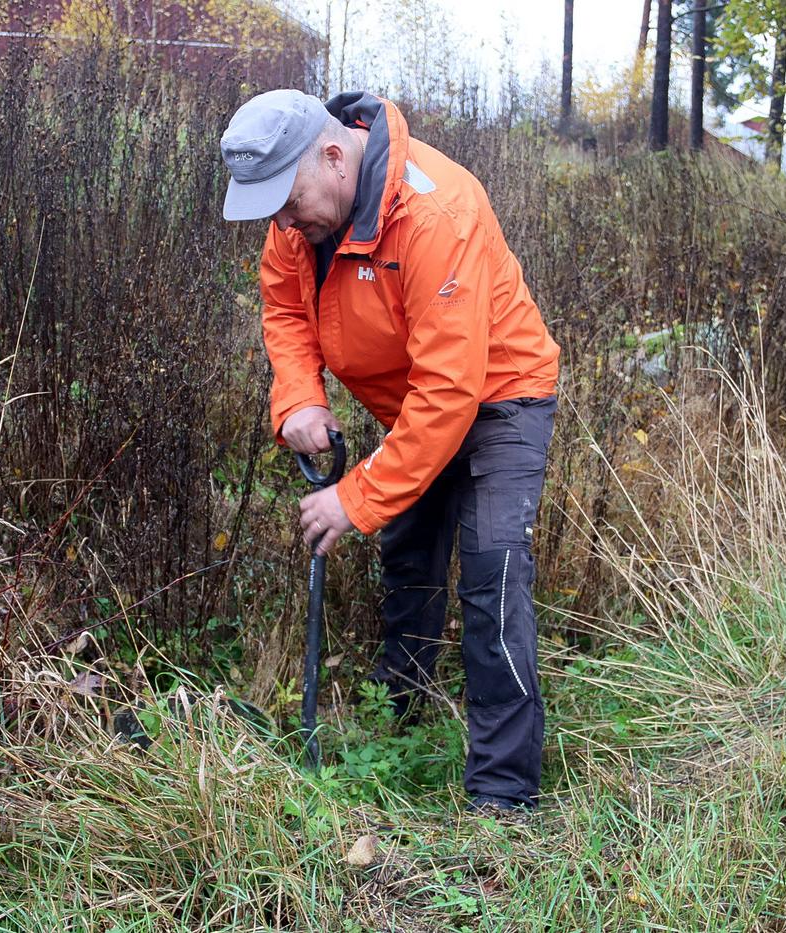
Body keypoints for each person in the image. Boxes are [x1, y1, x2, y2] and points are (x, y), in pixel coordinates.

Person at [219, 89, 561, 811]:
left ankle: (502, 793)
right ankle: (396, 714)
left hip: (500, 396)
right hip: (416, 407)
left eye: (287, 202)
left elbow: (452, 390)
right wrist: (300, 395)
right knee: (410, 555)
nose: (282, 222)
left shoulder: (436, 212)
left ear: (336, 156)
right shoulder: (303, 212)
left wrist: (356, 495)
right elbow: (284, 307)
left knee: (492, 567)